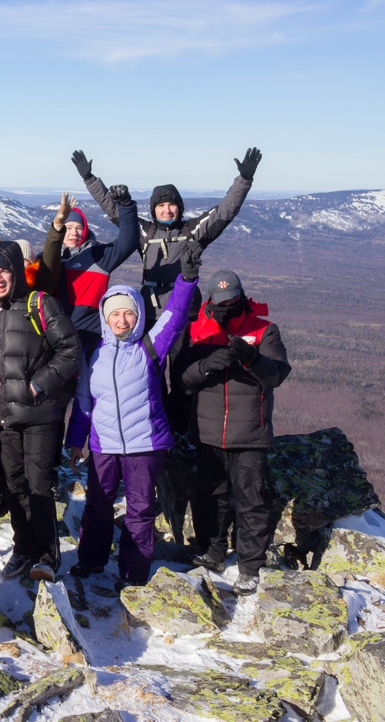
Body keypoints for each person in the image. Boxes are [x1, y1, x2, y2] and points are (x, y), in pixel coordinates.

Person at [66, 244, 202, 588]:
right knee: (98, 506)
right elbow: (84, 401)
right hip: (103, 445)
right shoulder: (92, 354)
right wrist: (75, 442)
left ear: (138, 315)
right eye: (115, 314)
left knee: (140, 512)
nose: (121, 320)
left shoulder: (150, 346)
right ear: (105, 318)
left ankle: (134, 573)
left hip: (145, 444)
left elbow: (174, 313)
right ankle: (90, 561)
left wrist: (187, 280)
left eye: (128, 313)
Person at [179, 269, 291, 595]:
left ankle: (249, 567)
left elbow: (275, 375)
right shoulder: (197, 331)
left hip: (250, 433)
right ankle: (212, 551)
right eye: (220, 302)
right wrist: (206, 365)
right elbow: (182, 379)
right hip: (208, 431)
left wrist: (250, 357)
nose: (226, 306)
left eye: (232, 301)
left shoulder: (264, 330)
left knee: (251, 500)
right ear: (210, 301)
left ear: (241, 297)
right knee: (208, 497)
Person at [0, 241, 81, 581]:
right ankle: (22, 548)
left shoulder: (39, 303)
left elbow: (69, 349)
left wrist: (37, 385)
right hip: (7, 418)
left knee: (39, 485)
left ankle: (46, 555)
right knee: (14, 485)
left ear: (16, 272)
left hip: (39, 414)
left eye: (3, 271)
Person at [73, 148, 261, 322]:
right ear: (154, 210)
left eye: (172, 205)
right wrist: (90, 179)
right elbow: (114, 210)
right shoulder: (146, 232)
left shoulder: (193, 231)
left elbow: (224, 211)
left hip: (186, 309)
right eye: (161, 206)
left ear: (179, 208)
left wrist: (244, 179)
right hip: (149, 309)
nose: (167, 210)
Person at [55, 184, 140, 354]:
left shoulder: (97, 255)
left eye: (79, 228)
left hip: (91, 338)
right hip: (56, 337)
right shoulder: (49, 259)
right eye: (69, 228)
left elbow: (128, 242)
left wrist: (126, 206)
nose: (74, 233)